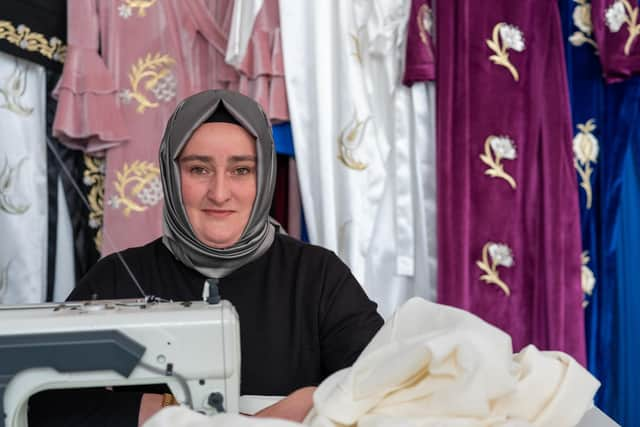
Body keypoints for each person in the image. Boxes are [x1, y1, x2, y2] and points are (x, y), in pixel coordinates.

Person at [29, 90, 384, 426]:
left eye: (241, 170)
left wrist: (310, 400)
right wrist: (173, 411)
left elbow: (385, 382)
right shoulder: (117, 277)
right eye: (199, 169)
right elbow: (45, 403)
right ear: (170, 174)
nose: (219, 192)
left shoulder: (318, 276)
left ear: (265, 177)